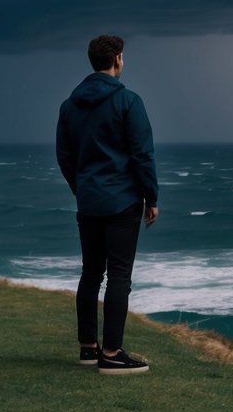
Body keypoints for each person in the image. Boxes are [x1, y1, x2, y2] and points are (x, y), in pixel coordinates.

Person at [55, 34, 159, 374]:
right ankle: (112, 354)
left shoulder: (69, 105)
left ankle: (89, 347)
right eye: (123, 57)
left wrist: (81, 187)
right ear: (116, 59)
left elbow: (65, 155)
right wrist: (151, 198)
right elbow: (142, 154)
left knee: (90, 273)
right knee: (118, 276)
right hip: (122, 201)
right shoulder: (128, 101)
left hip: (89, 201)